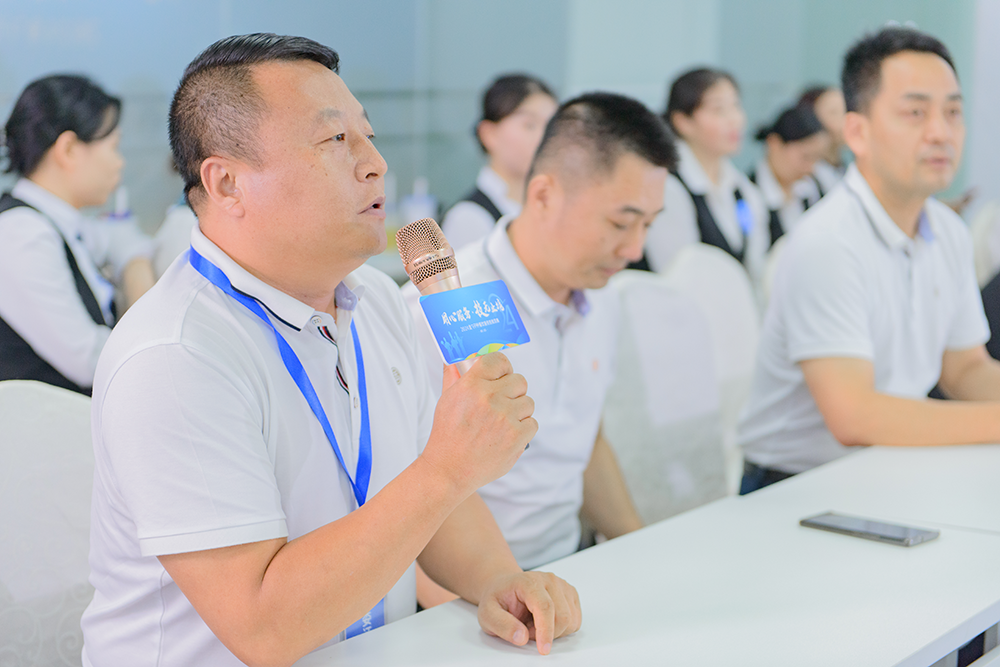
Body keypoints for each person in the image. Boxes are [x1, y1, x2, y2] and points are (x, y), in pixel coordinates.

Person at [81, 33, 580, 667]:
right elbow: (263, 630)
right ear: (227, 183)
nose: (376, 163)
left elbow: (423, 494)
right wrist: (448, 468)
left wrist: (498, 579)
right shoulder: (175, 355)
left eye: (368, 135)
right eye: (335, 139)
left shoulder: (376, 298)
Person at [405, 92, 675, 585]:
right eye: (620, 222)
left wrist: (642, 551)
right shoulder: (449, 304)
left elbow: (585, 440)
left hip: (569, 564)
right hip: (469, 587)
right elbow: (403, 495)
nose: (634, 248)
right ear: (545, 194)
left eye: (648, 225)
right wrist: (486, 605)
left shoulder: (601, 293)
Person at [737, 27, 1000, 495]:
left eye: (953, 112)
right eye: (915, 113)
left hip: (891, 466)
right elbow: (855, 416)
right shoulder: (828, 241)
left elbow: (964, 369)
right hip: (792, 487)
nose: (941, 133)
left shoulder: (948, 231)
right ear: (857, 132)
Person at [0, 74, 155, 395]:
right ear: (68, 149)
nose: (119, 163)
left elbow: (120, 238)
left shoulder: (57, 222)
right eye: (113, 147)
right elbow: (89, 361)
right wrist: (150, 323)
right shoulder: (22, 234)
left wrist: (136, 268)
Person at [640, 68, 768, 283]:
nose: (734, 120)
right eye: (719, 110)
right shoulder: (667, 187)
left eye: (736, 106)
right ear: (683, 121)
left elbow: (756, 269)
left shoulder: (743, 189)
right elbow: (677, 277)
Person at [440, 74, 557, 250]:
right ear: (489, 134)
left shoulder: (547, 208)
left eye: (551, 127)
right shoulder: (468, 218)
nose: (544, 137)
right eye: (530, 125)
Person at [748, 105, 829, 246]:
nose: (811, 168)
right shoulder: (747, 194)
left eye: (816, 159)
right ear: (774, 144)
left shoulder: (813, 188)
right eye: (805, 157)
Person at [797, 85, 849, 195]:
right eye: (834, 112)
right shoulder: (806, 177)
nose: (846, 119)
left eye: (847, 110)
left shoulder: (843, 169)